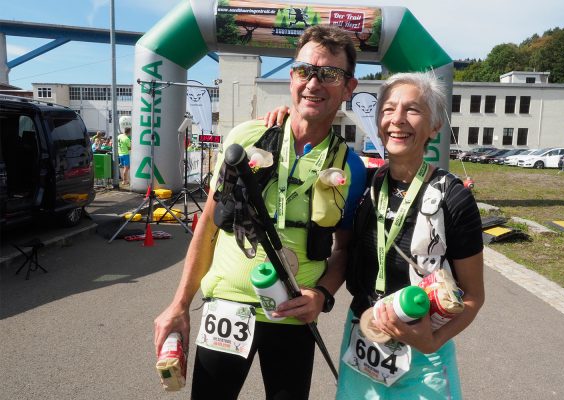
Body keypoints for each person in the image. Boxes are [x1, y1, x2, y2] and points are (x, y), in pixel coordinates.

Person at [154, 25, 366, 400]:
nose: (314, 83)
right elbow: (208, 227)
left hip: (293, 315)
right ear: (292, 77)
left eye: (330, 74)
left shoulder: (353, 167)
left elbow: (343, 251)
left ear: (349, 87)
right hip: (227, 310)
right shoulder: (245, 137)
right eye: (305, 70)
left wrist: (321, 295)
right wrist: (179, 304)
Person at [336, 72, 485, 399]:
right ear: (378, 123)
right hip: (364, 340)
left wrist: (433, 341)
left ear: (435, 127)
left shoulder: (453, 197)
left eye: (413, 110)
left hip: (423, 351)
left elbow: (473, 296)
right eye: (389, 109)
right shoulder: (365, 186)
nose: (398, 119)